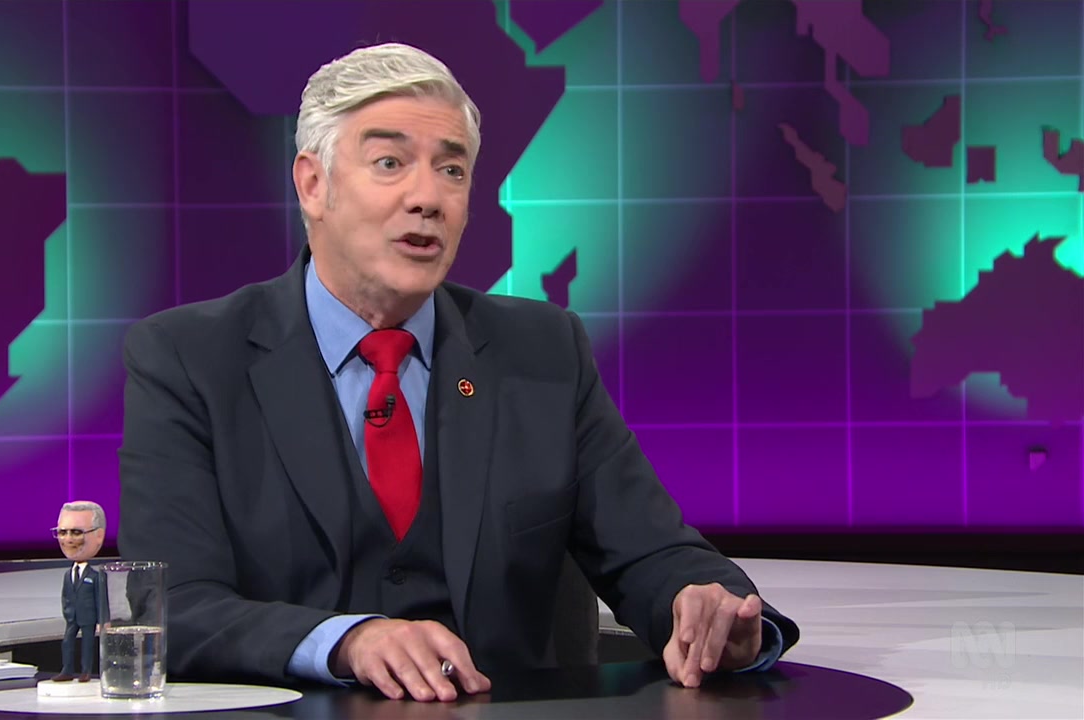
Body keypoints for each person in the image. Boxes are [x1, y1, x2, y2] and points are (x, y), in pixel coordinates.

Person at [117, 42, 800, 703]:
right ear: (313, 184)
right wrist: (345, 641)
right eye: (390, 162)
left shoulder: (543, 351)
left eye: (452, 170)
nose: (428, 197)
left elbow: (651, 552)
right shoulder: (190, 359)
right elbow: (175, 606)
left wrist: (714, 611)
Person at [52, 500, 106, 682]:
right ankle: (67, 670)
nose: (68, 539)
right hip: (72, 617)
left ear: (99, 535)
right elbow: (66, 596)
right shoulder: (68, 574)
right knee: (68, 642)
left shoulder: (95, 576)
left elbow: (101, 599)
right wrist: (67, 612)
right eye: (62, 532)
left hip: (88, 618)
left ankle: (85, 671)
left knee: (87, 645)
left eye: (76, 532)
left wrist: (103, 620)